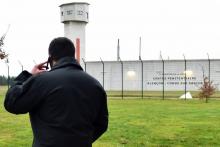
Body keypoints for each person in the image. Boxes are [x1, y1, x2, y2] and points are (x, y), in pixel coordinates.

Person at [4, 37, 108, 147]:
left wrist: (28, 76)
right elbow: (102, 124)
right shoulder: (95, 85)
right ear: (73, 55)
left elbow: (12, 103)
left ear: (50, 59)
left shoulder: (42, 80)